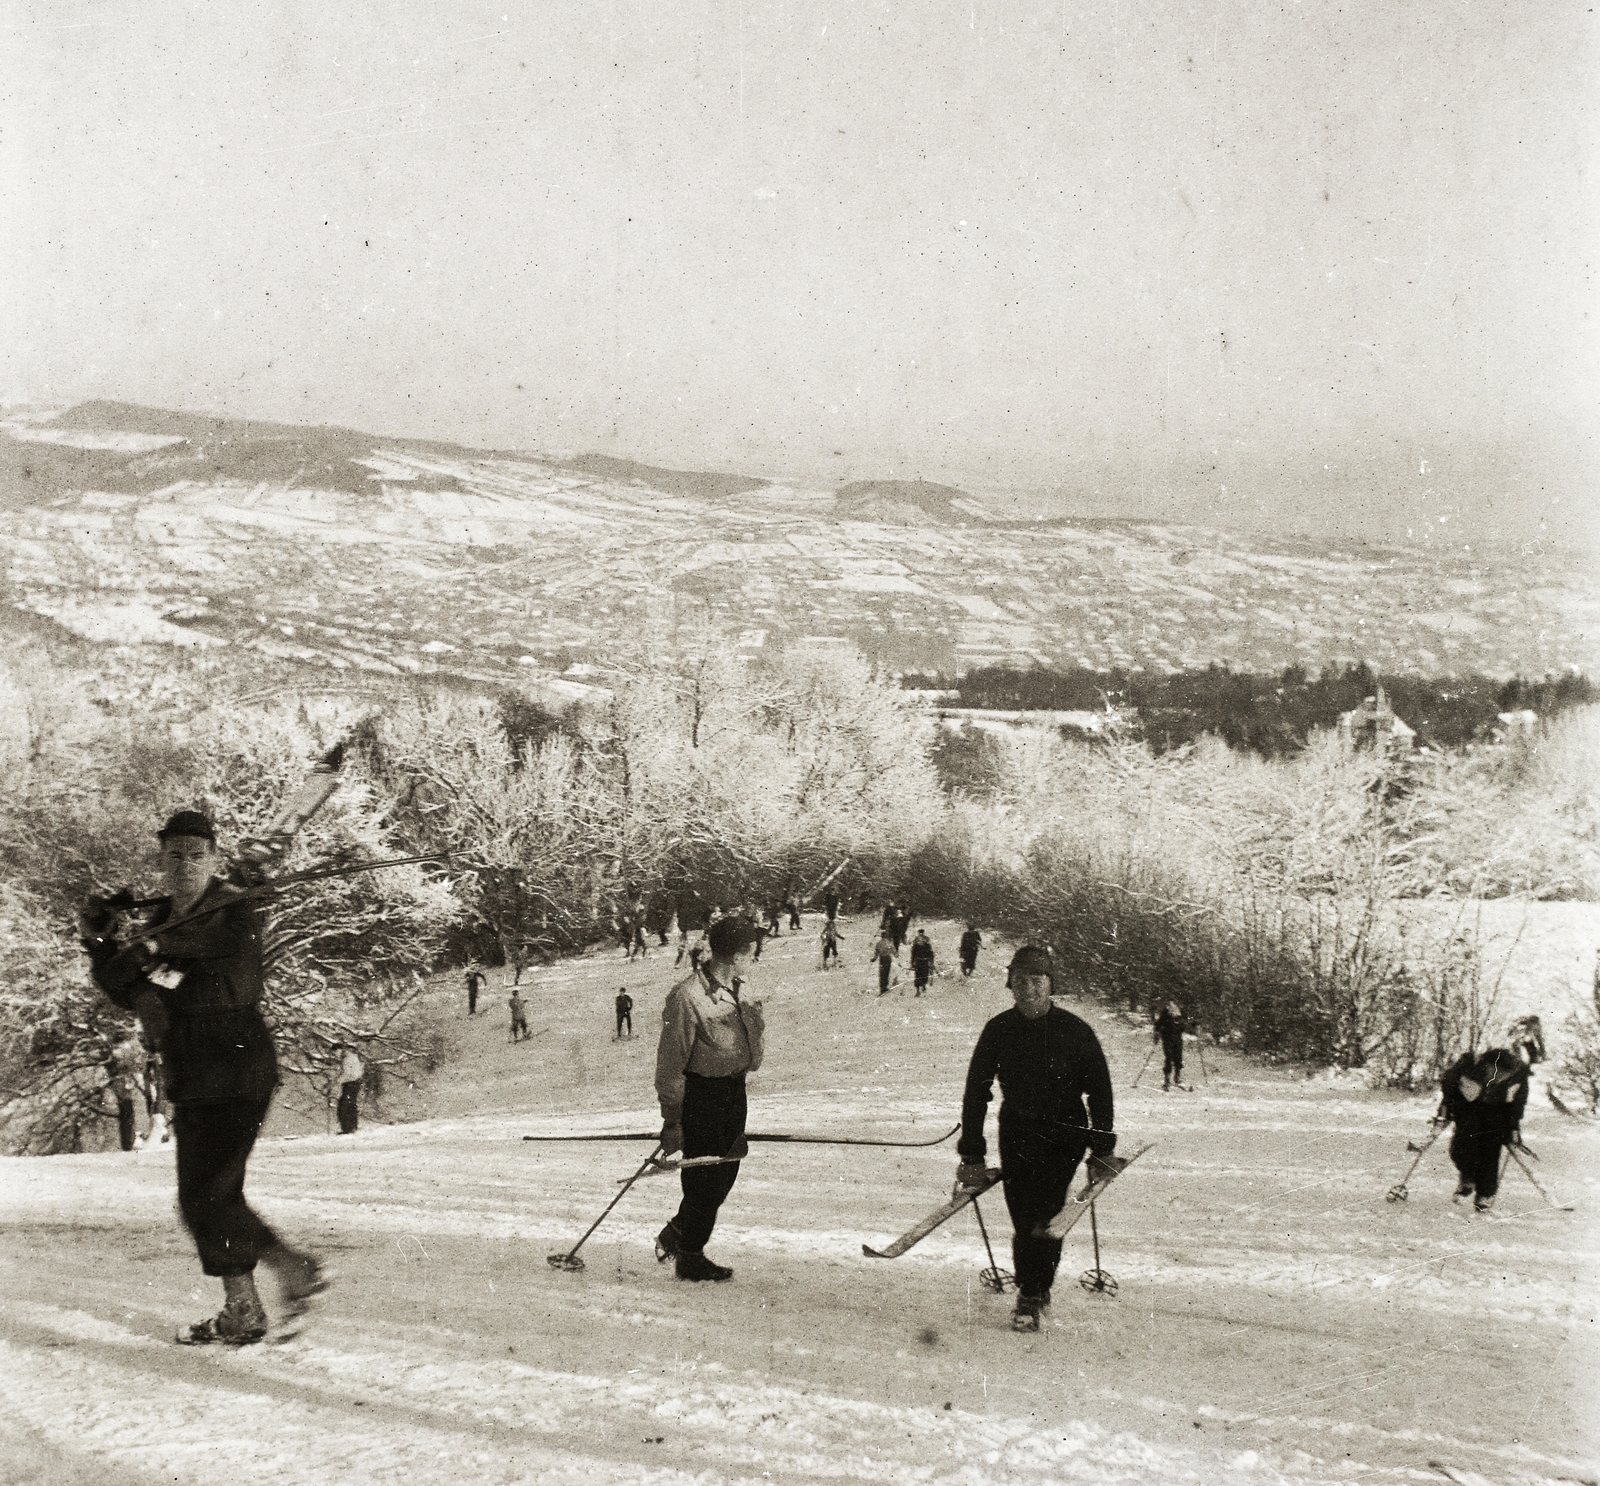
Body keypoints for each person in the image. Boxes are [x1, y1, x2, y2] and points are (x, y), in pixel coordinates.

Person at [79, 810, 325, 1345]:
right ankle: (247, 1306)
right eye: (175, 855)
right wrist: (101, 942)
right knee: (202, 1198)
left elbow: (219, 948)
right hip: (191, 1069)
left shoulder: (233, 908)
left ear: (213, 858)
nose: (185, 865)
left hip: (237, 1060)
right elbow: (126, 983)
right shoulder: (162, 919)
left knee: (210, 1194)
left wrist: (154, 946)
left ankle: (286, 1272)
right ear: (162, 859)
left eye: (196, 854)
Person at [954, 945, 1116, 1333]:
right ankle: (1036, 1285)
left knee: (1045, 1214)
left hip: (1065, 1134)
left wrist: (1101, 1149)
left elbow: (1099, 1092)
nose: (1029, 989)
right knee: (1023, 1216)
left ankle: (1031, 1291)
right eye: (1021, 981)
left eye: (1037, 980)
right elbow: (976, 1092)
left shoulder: (1075, 1031)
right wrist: (972, 1153)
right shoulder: (999, 1029)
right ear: (1010, 985)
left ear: (1050, 984)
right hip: (1018, 1133)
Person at [653, 913, 766, 1283]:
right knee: (704, 1181)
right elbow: (670, 1065)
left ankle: (679, 1232)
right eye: (752, 950)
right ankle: (689, 1257)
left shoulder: (739, 988)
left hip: (734, 1091)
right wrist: (673, 1121)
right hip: (703, 1096)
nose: (755, 956)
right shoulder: (687, 998)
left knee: (725, 1174)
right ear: (736, 954)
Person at [1436, 1046, 1530, 1213]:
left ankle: (1484, 1195)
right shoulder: (1468, 1067)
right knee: (1461, 1146)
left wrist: (1513, 1127)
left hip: (1497, 1112)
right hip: (1468, 1108)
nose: (1499, 1079)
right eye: (1496, 1073)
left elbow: (1518, 1103)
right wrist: (1445, 1111)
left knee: (1491, 1151)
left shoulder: (1518, 1075)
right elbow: (1448, 1087)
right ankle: (1468, 1178)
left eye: (1503, 1076)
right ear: (1488, 1065)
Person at [107, 1035, 146, 1151]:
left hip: (121, 1087)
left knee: (126, 1115)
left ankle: (128, 1142)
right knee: (128, 1114)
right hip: (124, 1089)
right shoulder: (123, 1052)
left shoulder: (115, 1052)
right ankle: (129, 1142)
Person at [1153, 1000, 1187, 1091]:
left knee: (1178, 1057)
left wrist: (1195, 1026)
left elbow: (1186, 1023)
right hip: (1167, 1038)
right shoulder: (1166, 1012)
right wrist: (1156, 1034)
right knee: (1169, 1058)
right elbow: (1159, 1024)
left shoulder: (1182, 1012)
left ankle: (1177, 1077)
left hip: (1178, 1038)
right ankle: (1167, 1080)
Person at [335, 1044, 364, 1134]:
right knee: (351, 1104)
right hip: (355, 1083)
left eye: (335, 1052)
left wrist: (338, 1081)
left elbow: (347, 1073)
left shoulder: (347, 1059)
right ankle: (352, 1126)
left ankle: (347, 1128)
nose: (336, 1055)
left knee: (345, 1105)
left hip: (350, 1083)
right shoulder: (352, 1057)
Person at [870, 929, 899, 995]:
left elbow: (876, 953)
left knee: (882, 973)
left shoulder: (879, 943)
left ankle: (882, 988)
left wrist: (874, 959)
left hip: (882, 959)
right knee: (887, 973)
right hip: (888, 959)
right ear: (886, 936)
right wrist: (896, 955)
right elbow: (893, 950)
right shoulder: (889, 943)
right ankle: (885, 987)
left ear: (881, 936)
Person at [910, 929, 936, 996]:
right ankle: (919, 989)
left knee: (921, 975)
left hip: (922, 961)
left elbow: (913, 954)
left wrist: (912, 963)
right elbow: (931, 954)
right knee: (920, 975)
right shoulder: (921, 943)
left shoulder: (922, 943)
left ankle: (921, 987)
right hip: (922, 961)